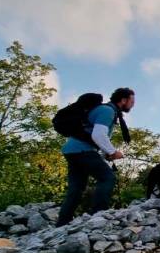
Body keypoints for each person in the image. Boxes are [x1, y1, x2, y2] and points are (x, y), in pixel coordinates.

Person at [57, 87, 135, 227]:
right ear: (123, 100)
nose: (133, 104)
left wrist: (106, 153)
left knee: (76, 188)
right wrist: (113, 152)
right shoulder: (107, 111)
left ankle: (62, 223)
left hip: (72, 150)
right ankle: (98, 217)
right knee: (107, 178)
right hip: (82, 150)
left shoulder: (104, 109)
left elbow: (92, 135)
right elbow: (98, 135)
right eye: (132, 101)